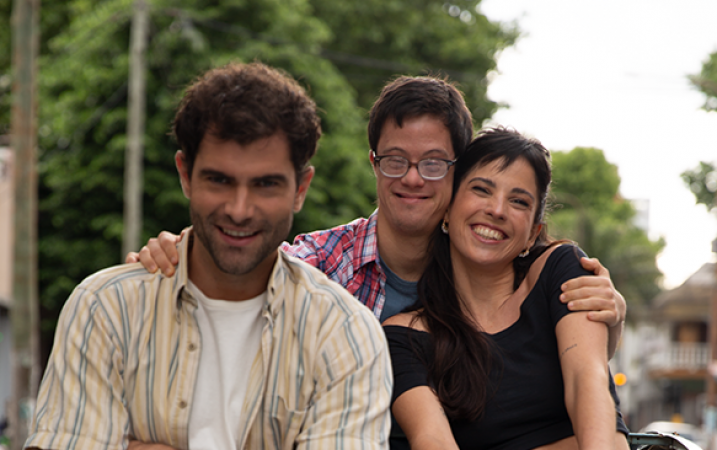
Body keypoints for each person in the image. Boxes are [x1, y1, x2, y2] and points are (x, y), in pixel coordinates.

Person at [25, 62, 392, 450]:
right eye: (219, 180)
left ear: (301, 189)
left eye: (265, 184)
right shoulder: (107, 309)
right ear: (185, 174)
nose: (239, 208)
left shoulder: (344, 333)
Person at [127, 75, 627, 344]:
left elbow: (561, 344)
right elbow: (246, 270)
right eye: (395, 161)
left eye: (433, 164)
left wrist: (613, 314)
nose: (412, 178)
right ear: (374, 164)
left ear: (457, 171)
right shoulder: (319, 263)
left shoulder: (493, 267)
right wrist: (176, 259)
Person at [384, 127, 629, 450]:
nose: (497, 210)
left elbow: (587, 380)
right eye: (482, 190)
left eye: (518, 201)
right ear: (447, 209)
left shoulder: (561, 271)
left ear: (533, 233)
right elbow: (431, 439)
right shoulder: (404, 336)